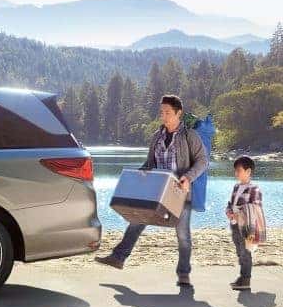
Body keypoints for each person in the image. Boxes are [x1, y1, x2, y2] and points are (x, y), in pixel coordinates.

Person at [95, 95, 209, 287]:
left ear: (178, 113)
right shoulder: (157, 136)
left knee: (183, 236)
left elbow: (203, 161)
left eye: (167, 112)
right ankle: (118, 258)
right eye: (161, 112)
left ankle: (183, 274)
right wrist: (139, 174)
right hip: (156, 193)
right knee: (136, 221)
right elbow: (150, 164)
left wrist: (188, 177)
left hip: (180, 194)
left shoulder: (189, 136)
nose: (163, 116)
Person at [226, 156, 264, 290]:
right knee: (239, 250)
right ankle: (242, 277)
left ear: (248, 171)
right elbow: (231, 203)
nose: (236, 173)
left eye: (239, 170)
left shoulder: (254, 189)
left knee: (245, 251)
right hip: (234, 224)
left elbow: (256, 208)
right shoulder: (236, 187)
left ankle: (246, 279)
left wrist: (239, 213)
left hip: (246, 227)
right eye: (235, 170)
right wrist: (229, 211)